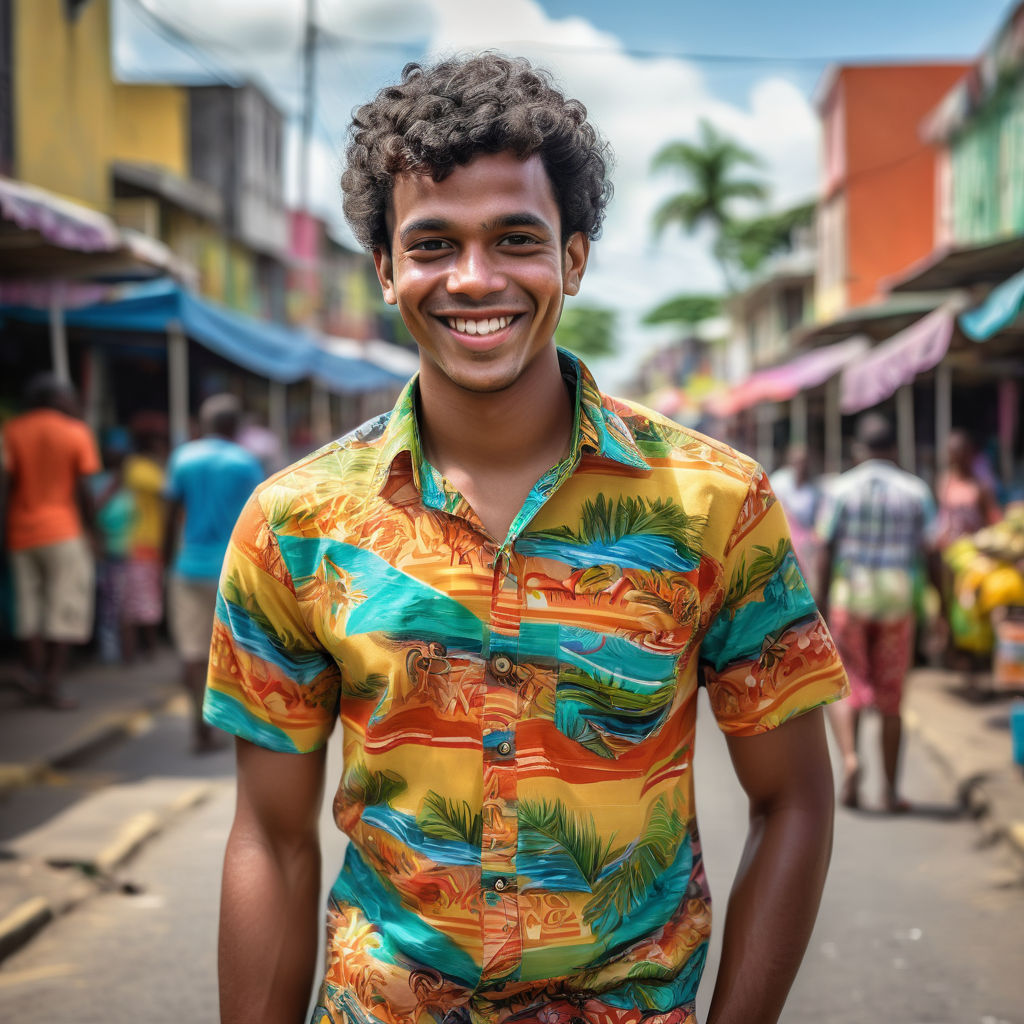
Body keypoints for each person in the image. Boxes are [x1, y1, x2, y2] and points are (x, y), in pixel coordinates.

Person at [205, 55, 848, 1024]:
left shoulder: (714, 503)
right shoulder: (294, 523)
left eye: (515, 238)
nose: (473, 279)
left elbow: (794, 800)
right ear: (384, 269)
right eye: (431, 244)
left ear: (573, 258)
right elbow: (270, 832)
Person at [818, 413, 936, 813]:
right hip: (898, 599)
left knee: (847, 683)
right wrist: (939, 606)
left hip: (852, 594)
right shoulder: (916, 490)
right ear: (893, 448)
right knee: (892, 694)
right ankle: (890, 790)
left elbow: (824, 546)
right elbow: (930, 551)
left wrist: (817, 601)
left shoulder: (841, 488)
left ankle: (850, 760)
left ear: (860, 449)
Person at [163, 393, 264, 753]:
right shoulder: (245, 462)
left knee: (192, 652)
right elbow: (259, 518)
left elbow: (169, 515)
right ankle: (237, 725)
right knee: (236, 650)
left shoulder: (183, 458)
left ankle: (199, 727)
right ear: (236, 427)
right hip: (235, 570)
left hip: (188, 567)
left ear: (204, 424)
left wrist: (166, 563)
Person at [0, 373, 101, 708]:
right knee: (65, 610)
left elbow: (5, 486)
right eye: (69, 396)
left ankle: (36, 676)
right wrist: (94, 531)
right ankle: (51, 685)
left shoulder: (12, 430)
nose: (74, 402)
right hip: (63, 532)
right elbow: (83, 490)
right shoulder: (75, 431)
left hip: (19, 533)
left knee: (29, 611)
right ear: (56, 398)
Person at [122, 414, 169, 661]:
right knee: (143, 601)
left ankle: (142, 650)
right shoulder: (142, 468)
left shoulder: (139, 467)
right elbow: (168, 492)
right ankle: (144, 651)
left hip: (146, 542)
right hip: (142, 542)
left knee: (143, 599)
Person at [89, 428, 137, 663]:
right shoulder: (97, 482)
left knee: (127, 605)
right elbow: (91, 513)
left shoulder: (132, 482)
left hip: (131, 553)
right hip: (109, 553)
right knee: (110, 605)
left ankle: (127, 653)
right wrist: (112, 489)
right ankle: (111, 654)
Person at [769, 442, 823, 596]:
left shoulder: (814, 488)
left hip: (804, 539)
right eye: (798, 461)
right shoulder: (780, 481)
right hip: (783, 534)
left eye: (804, 462)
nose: (801, 466)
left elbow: (817, 517)